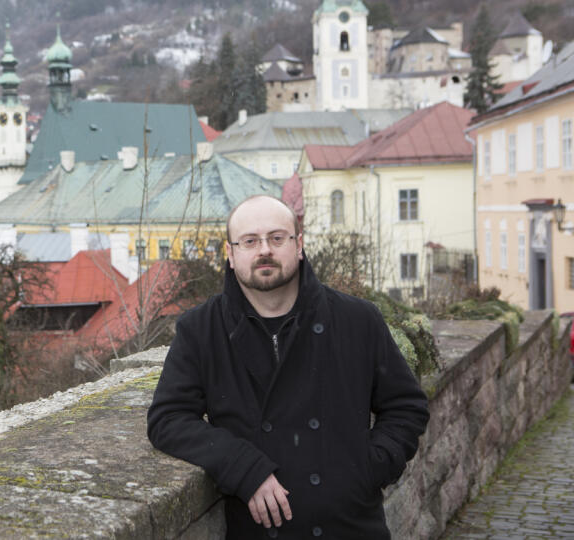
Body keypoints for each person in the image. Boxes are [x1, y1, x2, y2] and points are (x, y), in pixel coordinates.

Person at [147, 195, 429, 538]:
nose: (264, 250)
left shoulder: (357, 319)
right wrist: (243, 467)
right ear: (231, 254)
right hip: (261, 530)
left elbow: (406, 407)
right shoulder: (201, 329)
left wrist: (367, 469)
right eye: (249, 241)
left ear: (299, 245)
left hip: (352, 524)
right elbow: (168, 419)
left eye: (277, 238)